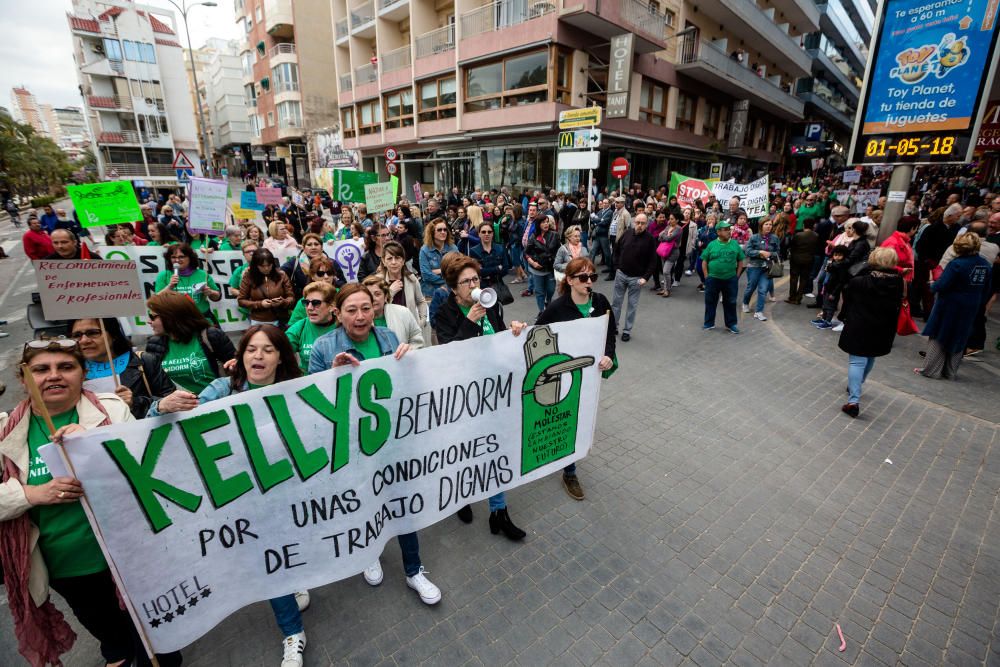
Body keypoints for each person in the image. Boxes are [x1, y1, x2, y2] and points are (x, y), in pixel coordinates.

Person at [0, 338, 181, 667]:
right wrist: (31, 494)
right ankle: (118, 651)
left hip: (128, 554)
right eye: (41, 369)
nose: (54, 376)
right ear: (24, 378)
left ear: (83, 374)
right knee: (104, 625)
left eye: (66, 367)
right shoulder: (5, 431)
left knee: (156, 637)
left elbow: (144, 468)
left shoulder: (111, 410)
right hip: (64, 565)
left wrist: (91, 443)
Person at [149, 325, 309, 667]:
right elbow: (167, 426)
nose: (259, 356)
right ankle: (293, 633)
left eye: (268, 350)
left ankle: (296, 582)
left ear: (281, 357)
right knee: (270, 564)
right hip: (242, 498)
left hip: (288, 490)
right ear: (241, 355)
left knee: (291, 551)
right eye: (251, 349)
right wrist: (161, 406)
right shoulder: (222, 389)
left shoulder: (296, 388)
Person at [308, 285, 442, 605]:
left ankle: (413, 570)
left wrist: (411, 361)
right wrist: (332, 376)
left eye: (366, 308)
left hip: (391, 440)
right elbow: (312, 404)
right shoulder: (323, 347)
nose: (360, 316)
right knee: (365, 504)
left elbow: (407, 386)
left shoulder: (388, 338)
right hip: (353, 446)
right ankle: (369, 553)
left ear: (375, 310)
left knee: (402, 504)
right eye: (352, 310)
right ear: (337, 314)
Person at [432, 254, 527, 539]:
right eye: (466, 282)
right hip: (463, 395)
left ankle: (499, 511)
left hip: (494, 390)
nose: (473, 285)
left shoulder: (491, 302)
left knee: (495, 448)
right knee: (465, 451)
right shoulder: (445, 314)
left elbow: (498, 335)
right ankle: (462, 498)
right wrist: (471, 321)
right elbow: (449, 354)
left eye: (476, 279)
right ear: (453, 288)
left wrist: (513, 332)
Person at [535, 257, 616, 500]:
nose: (589, 282)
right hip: (564, 376)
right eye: (583, 278)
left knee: (582, 417)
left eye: (592, 277)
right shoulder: (557, 307)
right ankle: (569, 470)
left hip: (590, 374)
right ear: (569, 280)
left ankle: (569, 462)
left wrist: (609, 355)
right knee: (565, 417)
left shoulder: (600, 301)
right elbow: (538, 333)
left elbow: (610, 332)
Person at [837, 247, 904, 417]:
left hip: (859, 325)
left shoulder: (859, 282)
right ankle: (857, 383)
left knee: (856, 362)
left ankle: (853, 400)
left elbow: (848, 299)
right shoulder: (899, 282)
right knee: (870, 357)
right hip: (883, 327)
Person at [916, 233, 993, 379]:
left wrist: (933, 285)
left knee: (940, 334)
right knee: (960, 336)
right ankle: (950, 371)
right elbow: (987, 289)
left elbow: (943, 284)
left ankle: (932, 370)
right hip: (971, 305)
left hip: (950, 304)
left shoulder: (957, 263)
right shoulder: (985, 265)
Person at [69, 317, 175, 419]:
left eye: (93, 333)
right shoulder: (69, 372)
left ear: (113, 335)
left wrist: (135, 403)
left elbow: (173, 401)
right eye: (77, 335)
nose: (84, 340)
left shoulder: (143, 361)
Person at [144, 291, 236, 395]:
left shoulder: (211, 336)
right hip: (180, 409)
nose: (148, 321)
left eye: (152, 316)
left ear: (170, 316)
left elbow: (238, 370)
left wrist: (235, 366)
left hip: (218, 404)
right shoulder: (154, 344)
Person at [610, 213, 658, 341]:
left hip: (636, 279)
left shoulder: (650, 239)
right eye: (638, 222)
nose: (640, 225)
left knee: (632, 306)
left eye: (642, 223)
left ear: (646, 224)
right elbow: (617, 249)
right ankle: (613, 327)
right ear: (634, 222)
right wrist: (616, 267)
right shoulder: (626, 234)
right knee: (616, 303)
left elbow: (653, 261)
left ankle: (627, 330)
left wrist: (645, 278)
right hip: (621, 274)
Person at [154, 243, 222, 322]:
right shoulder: (164, 275)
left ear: (190, 258)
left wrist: (210, 292)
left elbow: (217, 297)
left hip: (202, 318)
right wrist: (169, 286)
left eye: (181, 257)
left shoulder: (202, 274)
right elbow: (156, 300)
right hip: (176, 321)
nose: (177, 260)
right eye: (173, 257)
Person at [701, 221, 746, 334]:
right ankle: (709, 323)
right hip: (713, 279)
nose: (728, 232)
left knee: (730, 302)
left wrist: (737, 276)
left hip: (730, 279)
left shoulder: (735, 244)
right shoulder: (712, 244)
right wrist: (707, 277)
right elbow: (704, 261)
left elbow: (741, 261)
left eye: (728, 229)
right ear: (718, 232)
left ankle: (731, 324)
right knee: (710, 301)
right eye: (725, 229)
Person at [284, 282, 338, 372]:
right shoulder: (299, 328)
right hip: (310, 383)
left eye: (316, 303)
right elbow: (279, 355)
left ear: (331, 306)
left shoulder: (344, 325)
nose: (309, 308)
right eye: (306, 302)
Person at [239, 248, 295, 326]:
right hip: (259, 321)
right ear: (256, 265)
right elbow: (241, 301)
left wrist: (282, 302)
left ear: (273, 263)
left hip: (281, 319)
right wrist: (260, 304)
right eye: (262, 266)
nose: (266, 268)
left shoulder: (281, 275)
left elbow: (291, 298)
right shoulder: (248, 276)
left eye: (269, 265)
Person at [281, 232, 346, 299]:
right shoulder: (295, 263)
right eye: (309, 245)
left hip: (329, 299)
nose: (313, 247)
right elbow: (279, 273)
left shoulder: (331, 262)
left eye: (316, 244)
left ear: (322, 247)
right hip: (305, 301)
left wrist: (332, 282)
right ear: (303, 247)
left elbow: (343, 283)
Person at [287, 255, 340, 325]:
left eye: (329, 273)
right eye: (320, 274)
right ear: (312, 276)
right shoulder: (304, 302)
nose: (326, 277)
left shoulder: (342, 294)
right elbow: (292, 327)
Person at [525, 215, 560, 311]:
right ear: (538, 224)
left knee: (551, 290)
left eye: (547, 222)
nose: (546, 224)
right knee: (540, 292)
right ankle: (541, 311)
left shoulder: (555, 235)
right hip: (537, 269)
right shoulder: (533, 236)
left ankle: (548, 302)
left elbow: (559, 251)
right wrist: (532, 263)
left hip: (550, 268)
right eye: (543, 222)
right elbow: (526, 252)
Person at [419, 218, 458, 298]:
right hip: (431, 292)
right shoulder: (425, 250)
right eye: (439, 230)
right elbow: (426, 275)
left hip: (450, 292)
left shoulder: (453, 248)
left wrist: (439, 271)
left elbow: (458, 269)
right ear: (432, 232)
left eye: (445, 230)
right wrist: (446, 279)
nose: (443, 232)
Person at [786, 219, 819, 305]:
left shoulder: (798, 235)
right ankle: (798, 298)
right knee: (804, 279)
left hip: (796, 259)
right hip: (809, 260)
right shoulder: (816, 235)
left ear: (804, 225)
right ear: (813, 226)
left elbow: (792, 246)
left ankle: (792, 297)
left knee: (794, 278)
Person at [470, 221, 509, 289]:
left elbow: (505, 269)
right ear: (479, 234)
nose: (486, 234)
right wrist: (497, 268)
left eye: (489, 232)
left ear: (493, 233)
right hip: (482, 288)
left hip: (499, 286)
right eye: (483, 232)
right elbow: (477, 272)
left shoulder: (500, 248)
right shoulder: (474, 251)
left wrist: (486, 272)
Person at [656, 213, 682, 297]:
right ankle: (665, 289)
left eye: (672, 219)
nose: (669, 220)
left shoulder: (678, 229)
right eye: (669, 218)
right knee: (665, 272)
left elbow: (668, 238)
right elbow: (659, 238)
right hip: (665, 251)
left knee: (666, 271)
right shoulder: (668, 227)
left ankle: (668, 290)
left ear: (677, 220)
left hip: (673, 253)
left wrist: (663, 234)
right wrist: (664, 235)